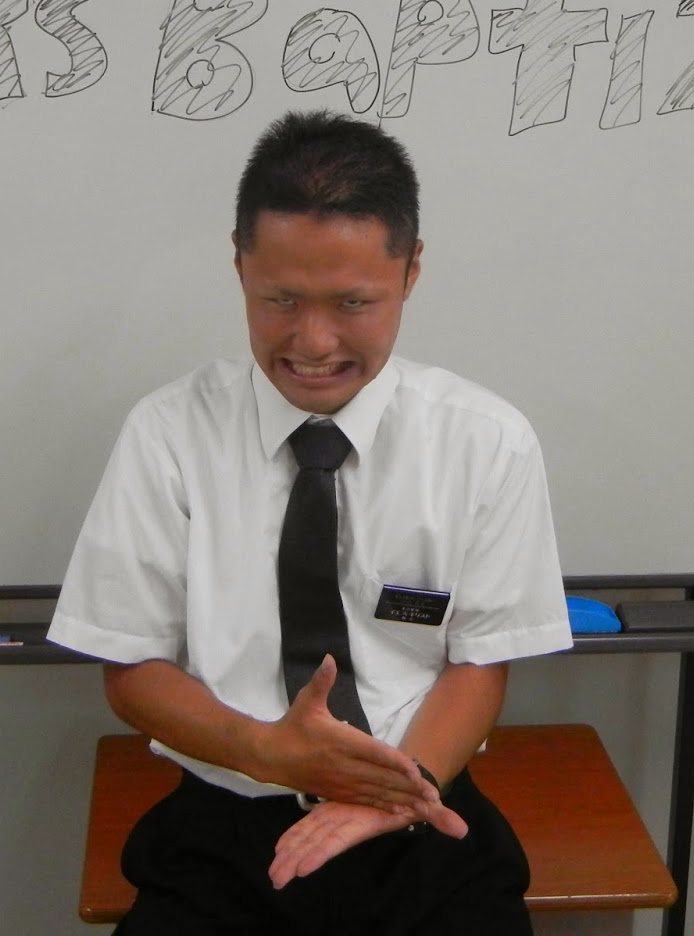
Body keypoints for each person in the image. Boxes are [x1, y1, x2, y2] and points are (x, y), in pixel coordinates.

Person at [49, 109, 573, 935]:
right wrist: (267, 750)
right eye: (281, 300)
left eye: (353, 302)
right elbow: (131, 666)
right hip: (228, 818)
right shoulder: (169, 433)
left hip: (417, 802)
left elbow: (479, 663)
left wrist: (394, 792)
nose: (314, 341)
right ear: (239, 267)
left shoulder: (486, 441)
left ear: (411, 271)